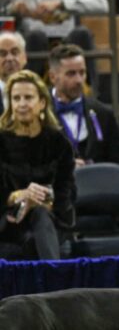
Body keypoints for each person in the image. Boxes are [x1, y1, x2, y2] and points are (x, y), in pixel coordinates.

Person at [0, 69, 74, 260]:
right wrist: (19, 196)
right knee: (31, 239)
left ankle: (50, 280)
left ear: (42, 103)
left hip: (50, 220)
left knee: (39, 218)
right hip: (8, 222)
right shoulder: (1, 141)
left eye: (28, 97)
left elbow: (66, 193)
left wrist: (41, 199)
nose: (22, 104)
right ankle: (54, 281)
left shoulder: (58, 142)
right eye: (16, 98)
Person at [49, 43, 119, 166]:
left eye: (82, 72)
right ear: (53, 77)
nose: (79, 80)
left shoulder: (103, 114)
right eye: (71, 74)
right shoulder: (37, 114)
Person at [0, 30, 27, 107]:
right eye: (3, 54)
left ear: (25, 57)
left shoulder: (38, 92)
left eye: (15, 52)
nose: (9, 58)